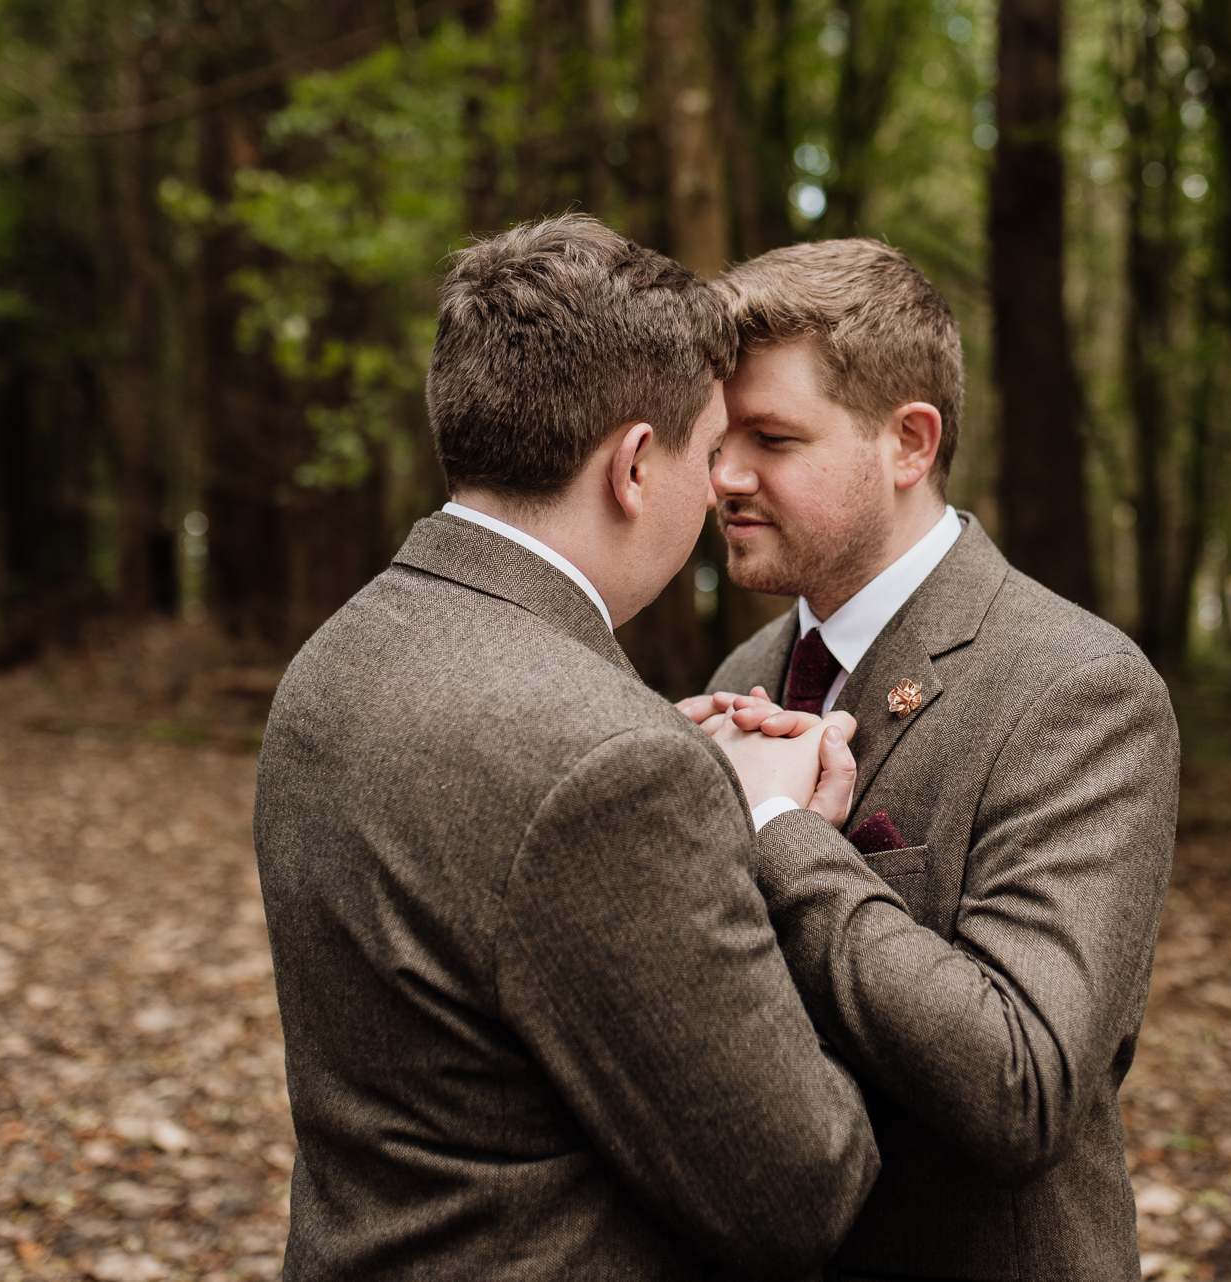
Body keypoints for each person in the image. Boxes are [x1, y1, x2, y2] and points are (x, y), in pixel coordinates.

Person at [254, 215, 888, 1281]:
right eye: (707, 450)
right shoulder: (613, 769)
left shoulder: (335, 656)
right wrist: (764, 835)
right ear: (636, 465)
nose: (719, 487)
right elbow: (800, 1187)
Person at [679, 239, 1179, 1281]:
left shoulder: (1078, 688)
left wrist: (784, 837)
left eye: (771, 437)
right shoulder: (748, 668)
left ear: (909, 441)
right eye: (718, 439)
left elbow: (1023, 1079)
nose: (723, 476)